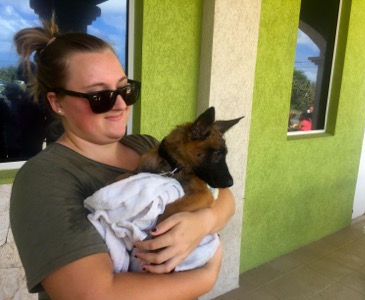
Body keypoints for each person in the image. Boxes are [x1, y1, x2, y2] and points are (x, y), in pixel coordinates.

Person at [10, 18, 235, 300]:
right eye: (99, 96)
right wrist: (206, 277)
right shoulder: (44, 178)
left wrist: (204, 221)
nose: (120, 105)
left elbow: (223, 195)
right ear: (57, 103)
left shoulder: (148, 145)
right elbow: (96, 295)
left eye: (125, 89)